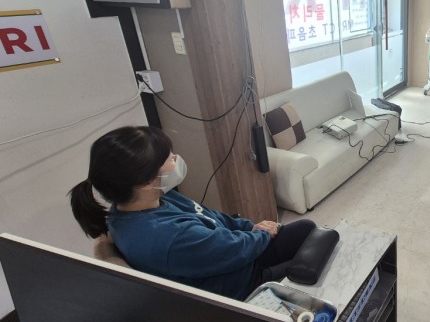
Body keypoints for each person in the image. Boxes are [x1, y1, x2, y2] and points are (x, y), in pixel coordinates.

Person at [69, 126, 316, 300]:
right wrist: (262, 235)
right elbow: (232, 250)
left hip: (237, 256)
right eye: (168, 158)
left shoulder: (153, 199)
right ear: (145, 181)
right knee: (322, 254)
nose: (176, 159)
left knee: (307, 230)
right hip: (241, 283)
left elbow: (212, 217)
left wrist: (250, 227)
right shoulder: (167, 236)